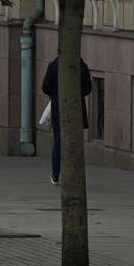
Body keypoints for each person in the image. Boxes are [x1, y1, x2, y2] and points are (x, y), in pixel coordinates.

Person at [42, 53, 95, 186]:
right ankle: (74, 175)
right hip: (76, 108)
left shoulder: (54, 65)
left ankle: (55, 174)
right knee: (75, 141)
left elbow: (45, 87)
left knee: (58, 141)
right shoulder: (81, 65)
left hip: (58, 108)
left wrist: (55, 93)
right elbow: (88, 88)